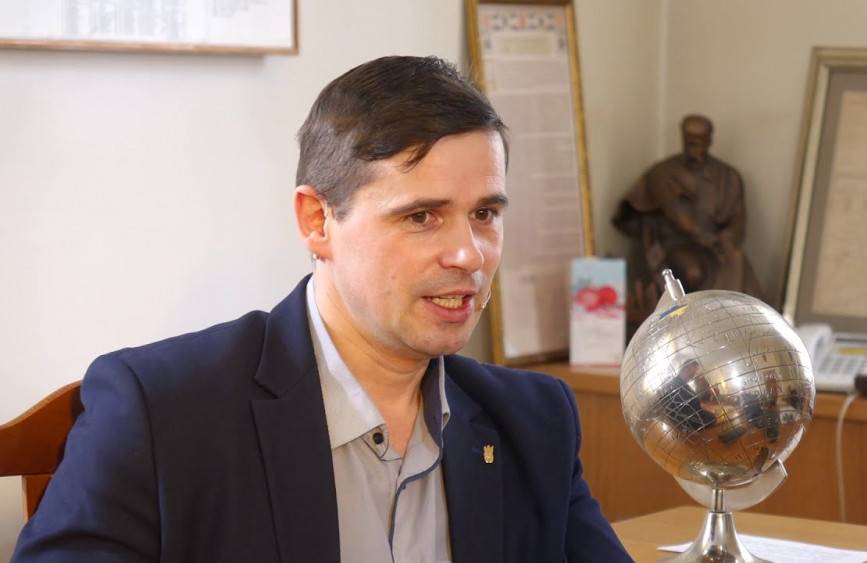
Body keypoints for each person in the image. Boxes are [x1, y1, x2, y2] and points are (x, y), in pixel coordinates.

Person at [13, 56, 631, 563]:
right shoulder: (160, 408)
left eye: (485, 214)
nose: (469, 254)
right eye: (422, 216)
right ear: (317, 221)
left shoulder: (532, 421)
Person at [613, 115, 764, 340]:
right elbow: (653, 210)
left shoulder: (728, 177)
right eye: (690, 140)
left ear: (709, 140)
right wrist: (692, 233)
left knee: (736, 260)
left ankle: (731, 326)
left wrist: (723, 238)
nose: (695, 146)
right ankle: (698, 331)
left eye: (700, 140)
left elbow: (737, 222)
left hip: (716, 244)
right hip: (676, 244)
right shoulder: (663, 173)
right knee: (693, 272)